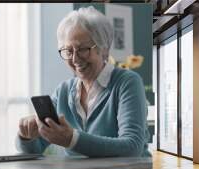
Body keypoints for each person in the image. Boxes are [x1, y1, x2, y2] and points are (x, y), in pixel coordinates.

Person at [16, 6, 151, 158]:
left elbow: (132, 146)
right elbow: (37, 147)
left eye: (82, 49)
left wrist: (72, 139)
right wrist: (26, 135)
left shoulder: (127, 82)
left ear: (104, 49)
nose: (74, 59)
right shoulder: (64, 91)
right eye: (68, 51)